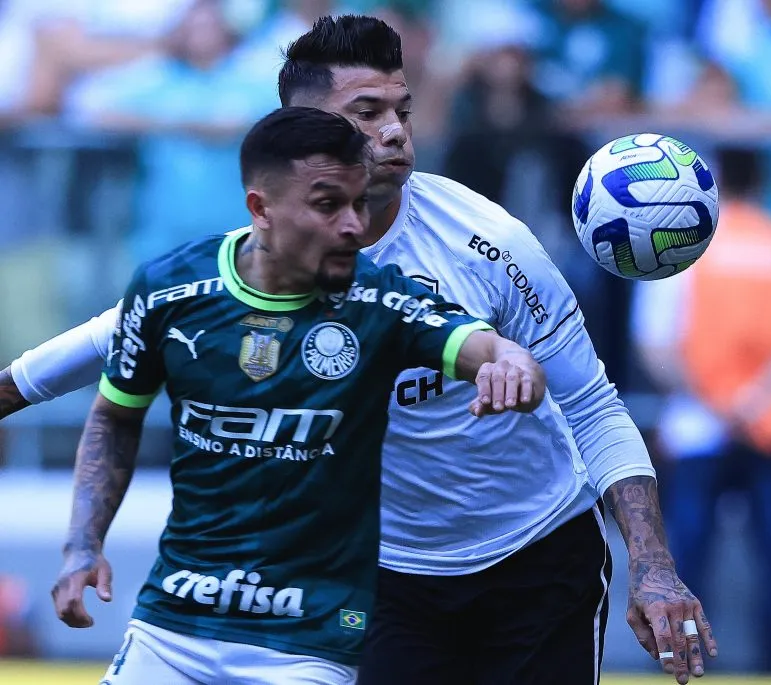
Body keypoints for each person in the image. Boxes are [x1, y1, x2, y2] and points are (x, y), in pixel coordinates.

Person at [0, 15, 715, 685]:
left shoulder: (488, 241)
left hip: (537, 555)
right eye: (367, 113)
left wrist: (652, 566)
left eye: (402, 110)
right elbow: (104, 337)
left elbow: (590, 403)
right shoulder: (256, 267)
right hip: (380, 577)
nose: (396, 131)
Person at [50, 105, 546, 684]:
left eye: (359, 203)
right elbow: (115, 417)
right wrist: (82, 546)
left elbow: (491, 348)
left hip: (308, 641)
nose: (353, 225)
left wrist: (515, 366)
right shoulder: (169, 291)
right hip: (174, 624)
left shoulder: (380, 300)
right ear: (261, 208)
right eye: (328, 205)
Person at [631, 148, 771, 673]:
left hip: (699, 425)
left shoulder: (682, 249)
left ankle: (678, 665)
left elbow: (657, 346)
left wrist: (717, 402)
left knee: (687, 555)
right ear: (763, 184)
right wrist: (758, 398)